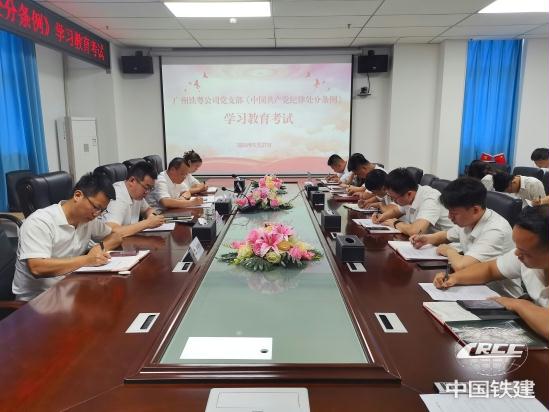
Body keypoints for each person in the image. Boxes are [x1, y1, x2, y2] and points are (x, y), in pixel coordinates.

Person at [433, 206, 549, 341]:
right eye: (517, 247)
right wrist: (454, 278)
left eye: (525, 252)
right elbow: (490, 269)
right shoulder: (523, 256)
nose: (517, 254)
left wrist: (519, 304)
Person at [12, 173, 122, 301]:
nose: (97, 214)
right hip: (38, 300)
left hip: (71, 289)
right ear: (78, 195)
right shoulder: (39, 222)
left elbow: (116, 236)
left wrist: (99, 247)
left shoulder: (87, 220)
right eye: (96, 207)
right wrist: (87, 260)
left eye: (102, 211)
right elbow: (37, 267)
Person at [410, 177, 521, 296]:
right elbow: (446, 235)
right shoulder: (469, 219)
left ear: (475, 210)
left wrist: (449, 251)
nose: (449, 217)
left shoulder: (496, 230)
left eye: (454, 213)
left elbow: (462, 267)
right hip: (474, 286)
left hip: (500, 294)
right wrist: (427, 239)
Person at [372, 168, 453, 235]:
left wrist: (395, 223)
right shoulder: (408, 195)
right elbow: (396, 211)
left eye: (394, 198)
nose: (394, 202)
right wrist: (381, 217)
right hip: (428, 241)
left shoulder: (430, 199)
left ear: (409, 194)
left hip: (449, 245)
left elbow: (416, 231)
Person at [103, 161, 165, 236]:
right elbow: (112, 232)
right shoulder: (117, 197)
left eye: (150, 188)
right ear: (132, 181)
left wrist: (152, 216)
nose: (147, 192)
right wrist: (147, 223)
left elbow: (148, 209)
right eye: (146, 187)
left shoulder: (136, 194)